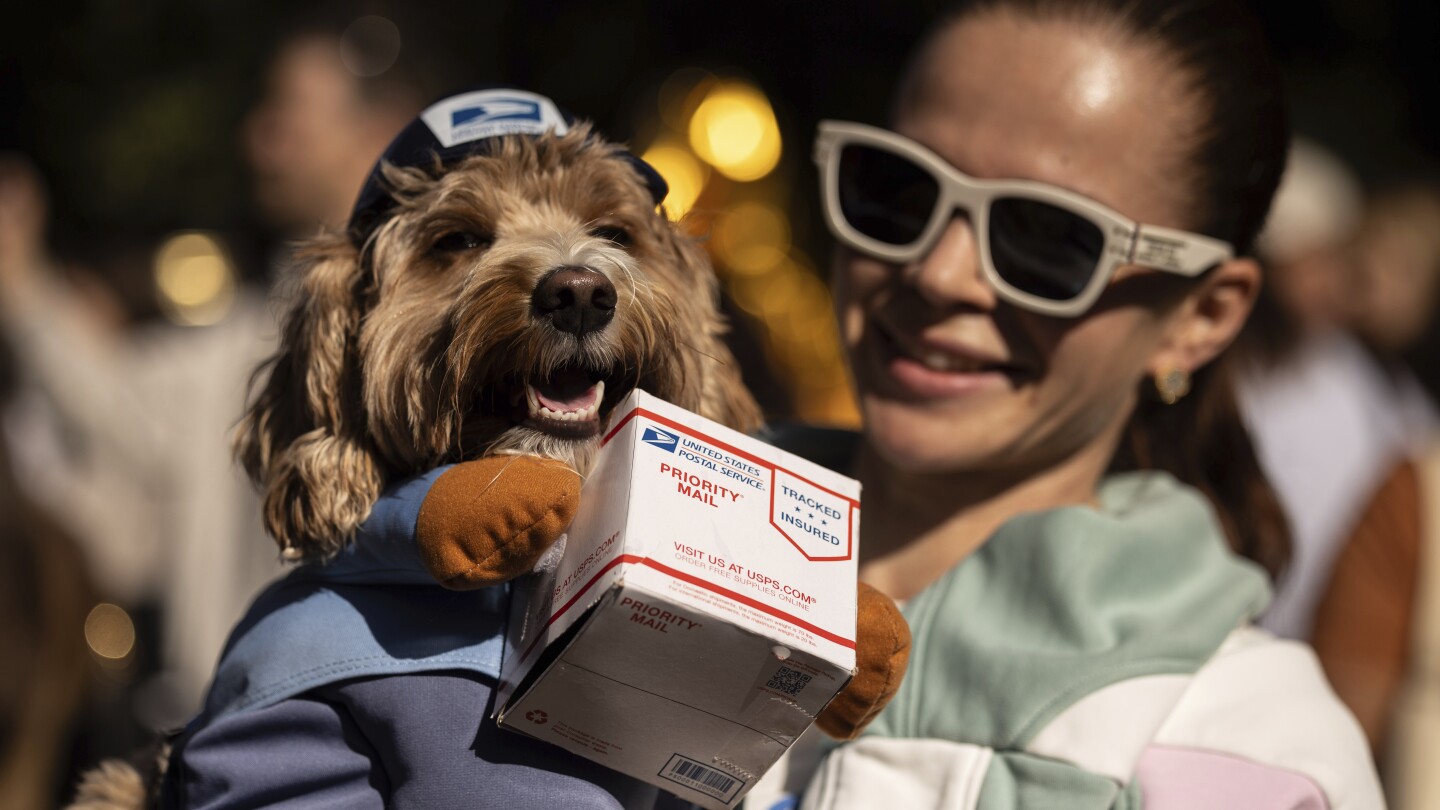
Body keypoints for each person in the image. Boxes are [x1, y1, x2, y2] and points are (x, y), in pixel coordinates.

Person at [768, 0, 1384, 806]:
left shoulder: (1251, 749)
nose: (938, 272)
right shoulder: (624, 521)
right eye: (900, 189)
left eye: (1047, 238)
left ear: (1202, 317)